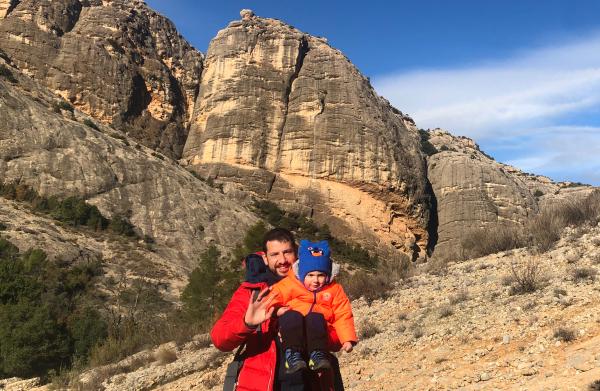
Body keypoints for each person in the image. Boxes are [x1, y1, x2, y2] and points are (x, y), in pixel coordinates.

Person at [210, 228, 344, 391]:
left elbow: (338, 341)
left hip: (312, 383)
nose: (282, 260)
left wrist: (311, 333)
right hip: (263, 384)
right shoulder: (253, 292)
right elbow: (220, 339)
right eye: (275, 254)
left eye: (287, 252)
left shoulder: (321, 287)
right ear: (265, 258)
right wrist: (247, 323)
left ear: (296, 253)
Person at [268, 240, 357, 375]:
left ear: (328, 275)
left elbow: (342, 314)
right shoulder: (289, 284)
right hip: (293, 329)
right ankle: (292, 356)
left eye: (321, 275)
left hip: (320, 333)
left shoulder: (335, 289)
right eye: (310, 275)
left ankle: (318, 356)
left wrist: (347, 339)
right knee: (291, 315)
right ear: (302, 274)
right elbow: (270, 299)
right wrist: (276, 310)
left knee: (315, 317)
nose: (315, 280)